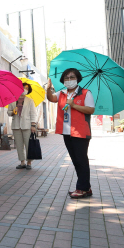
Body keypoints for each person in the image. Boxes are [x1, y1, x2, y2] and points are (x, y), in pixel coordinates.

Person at [46, 68, 95, 198]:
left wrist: (74, 105)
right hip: (67, 132)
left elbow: (90, 110)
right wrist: (48, 89)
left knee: (81, 160)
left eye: (72, 77)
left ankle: (82, 188)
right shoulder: (62, 93)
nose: (69, 80)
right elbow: (51, 98)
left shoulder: (85, 93)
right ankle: (86, 187)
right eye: (66, 78)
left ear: (77, 78)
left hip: (81, 132)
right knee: (75, 160)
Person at [7, 83, 38, 169]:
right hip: (16, 126)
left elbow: (33, 114)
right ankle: (22, 162)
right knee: (19, 145)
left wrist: (33, 125)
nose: (24, 89)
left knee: (28, 144)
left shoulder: (30, 100)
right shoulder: (13, 100)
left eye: (26, 88)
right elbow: (9, 112)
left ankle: (29, 162)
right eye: (23, 87)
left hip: (27, 126)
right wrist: (13, 112)